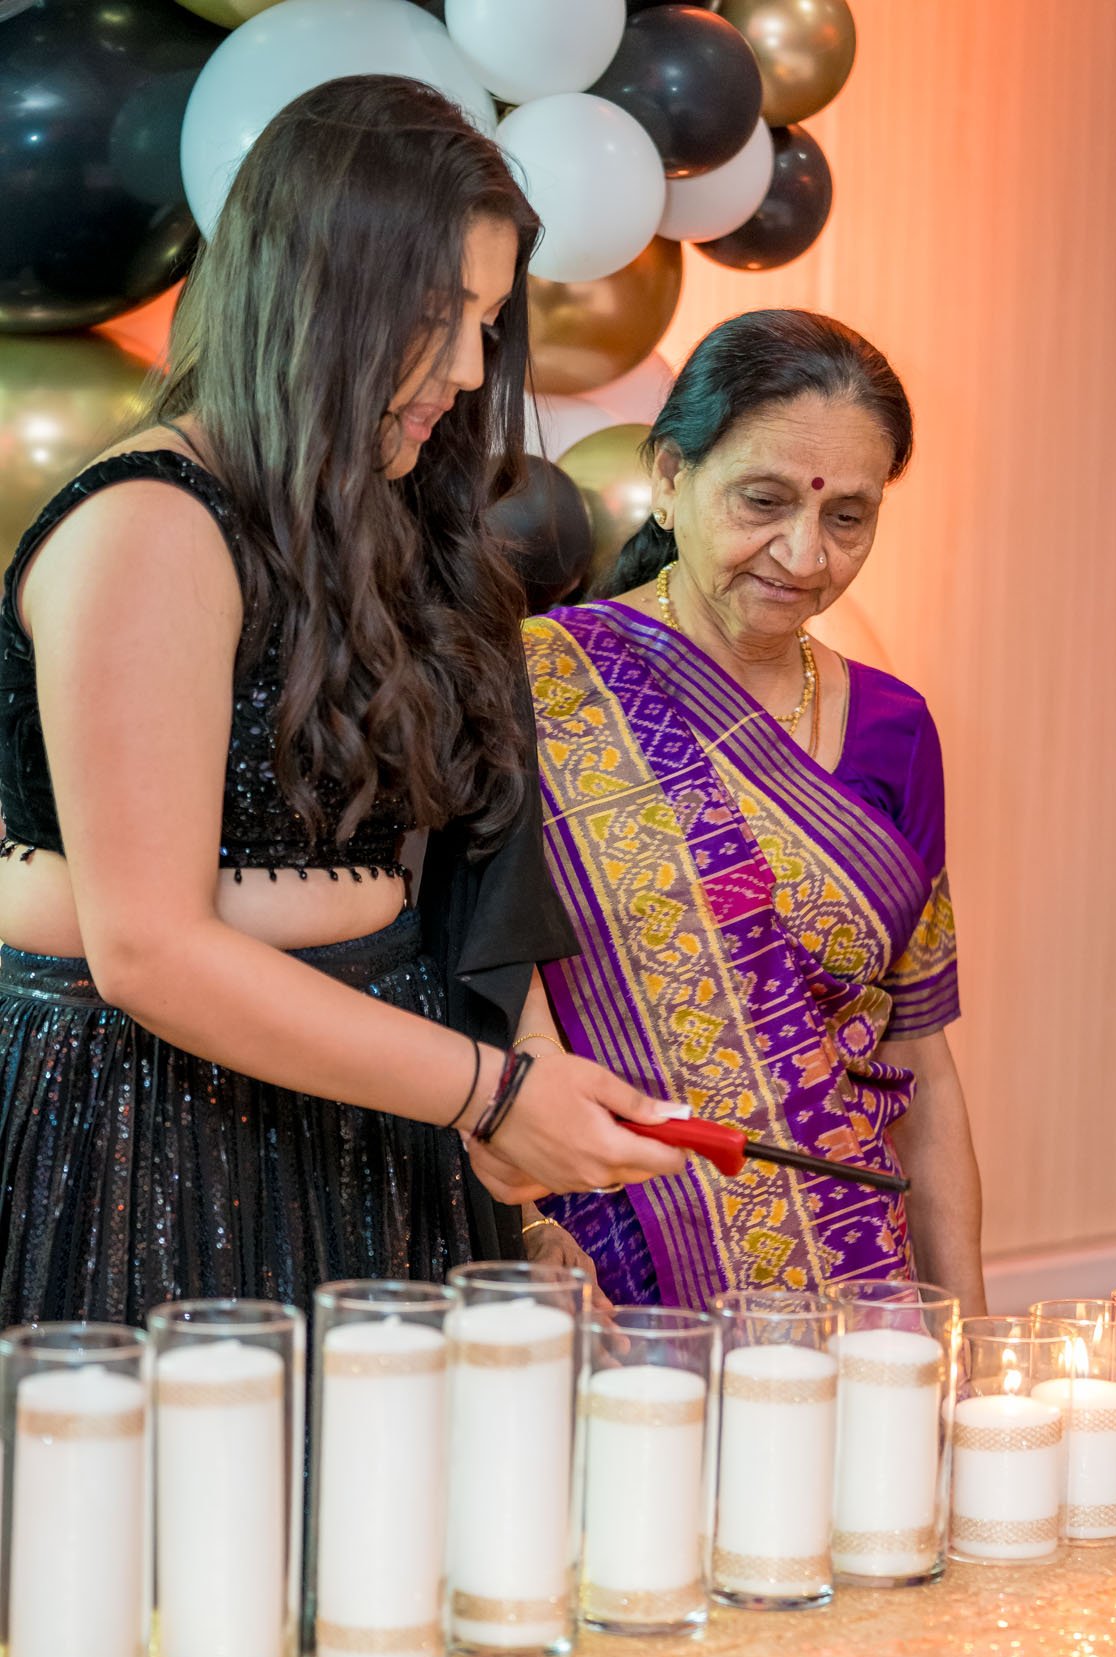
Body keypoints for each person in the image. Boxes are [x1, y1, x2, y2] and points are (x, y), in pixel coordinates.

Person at [0, 76, 681, 1328]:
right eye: (435, 315)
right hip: (156, 1128)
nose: (472, 369)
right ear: (313, 288)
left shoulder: (384, 520)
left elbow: (469, 862)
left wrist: (515, 1112)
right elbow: (147, 947)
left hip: (380, 1106)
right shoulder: (149, 520)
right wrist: (487, 1091)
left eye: (486, 319)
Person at [519, 310, 985, 1313]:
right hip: (610, 1290)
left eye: (847, 517)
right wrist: (520, 1232)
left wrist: (968, 1344)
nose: (804, 555)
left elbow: (920, 1062)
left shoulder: (895, 728)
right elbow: (460, 1016)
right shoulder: (534, 690)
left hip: (859, 1296)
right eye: (762, 501)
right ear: (672, 477)